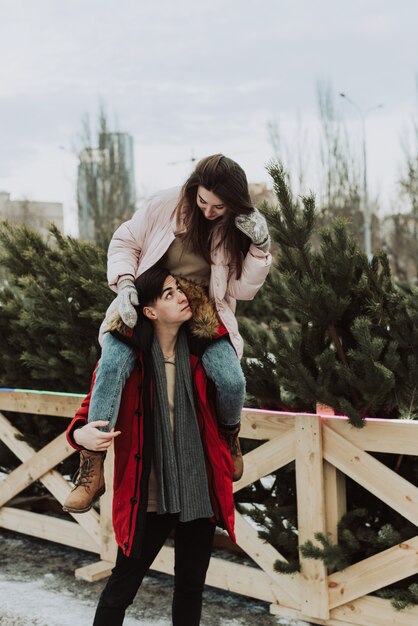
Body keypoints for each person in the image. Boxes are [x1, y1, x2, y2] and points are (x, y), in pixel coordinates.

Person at [63, 153, 271, 513]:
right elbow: (125, 242)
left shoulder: (240, 226)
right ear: (193, 189)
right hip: (150, 293)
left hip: (201, 306)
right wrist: (126, 283)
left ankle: (230, 436)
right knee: (112, 364)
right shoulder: (164, 204)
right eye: (202, 201)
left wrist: (260, 249)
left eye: (218, 207)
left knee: (232, 380)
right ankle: (91, 467)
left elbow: (242, 290)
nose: (208, 211)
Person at [65, 267, 236, 626]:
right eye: (169, 295)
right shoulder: (131, 359)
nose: (181, 296)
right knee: (121, 589)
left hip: (197, 489)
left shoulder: (202, 355)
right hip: (150, 493)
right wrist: (80, 436)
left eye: (178, 289)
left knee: (190, 588)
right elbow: (89, 408)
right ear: (150, 312)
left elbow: (229, 397)